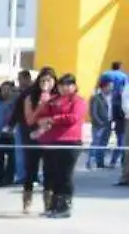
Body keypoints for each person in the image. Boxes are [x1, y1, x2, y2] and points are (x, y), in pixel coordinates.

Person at [35, 72, 86, 217]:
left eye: (68, 85)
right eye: (62, 85)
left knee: (65, 174)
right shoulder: (53, 100)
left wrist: (53, 120)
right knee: (53, 174)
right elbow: (42, 114)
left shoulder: (78, 101)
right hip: (52, 141)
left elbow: (73, 117)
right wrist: (43, 120)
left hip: (70, 141)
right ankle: (53, 205)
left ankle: (65, 206)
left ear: (74, 86)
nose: (64, 88)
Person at [18, 68, 56, 213]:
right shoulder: (30, 97)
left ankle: (48, 203)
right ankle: (27, 202)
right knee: (30, 170)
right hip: (33, 137)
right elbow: (30, 119)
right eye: (43, 81)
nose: (46, 83)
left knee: (49, 171)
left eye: (49, 80)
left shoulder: (57, 97)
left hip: (51, 139)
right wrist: (43, 100)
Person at [0, 81, 19, 187]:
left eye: (8, 89)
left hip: (11, 133)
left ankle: (9, 178)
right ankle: (0, 179)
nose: (5, 92)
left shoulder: (15, 102)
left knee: (12, 157)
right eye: (3, 89)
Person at [88, 74, 115, 170]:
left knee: (104, 144)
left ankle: (100, 162)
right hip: (98, 124)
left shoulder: (111, 97)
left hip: (108, 123)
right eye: (110, 86)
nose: (111, 88)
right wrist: (98, 122)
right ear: (104, 86)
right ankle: (90, 162)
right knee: (96, 143)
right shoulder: (96, 97)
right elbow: (93, 112)